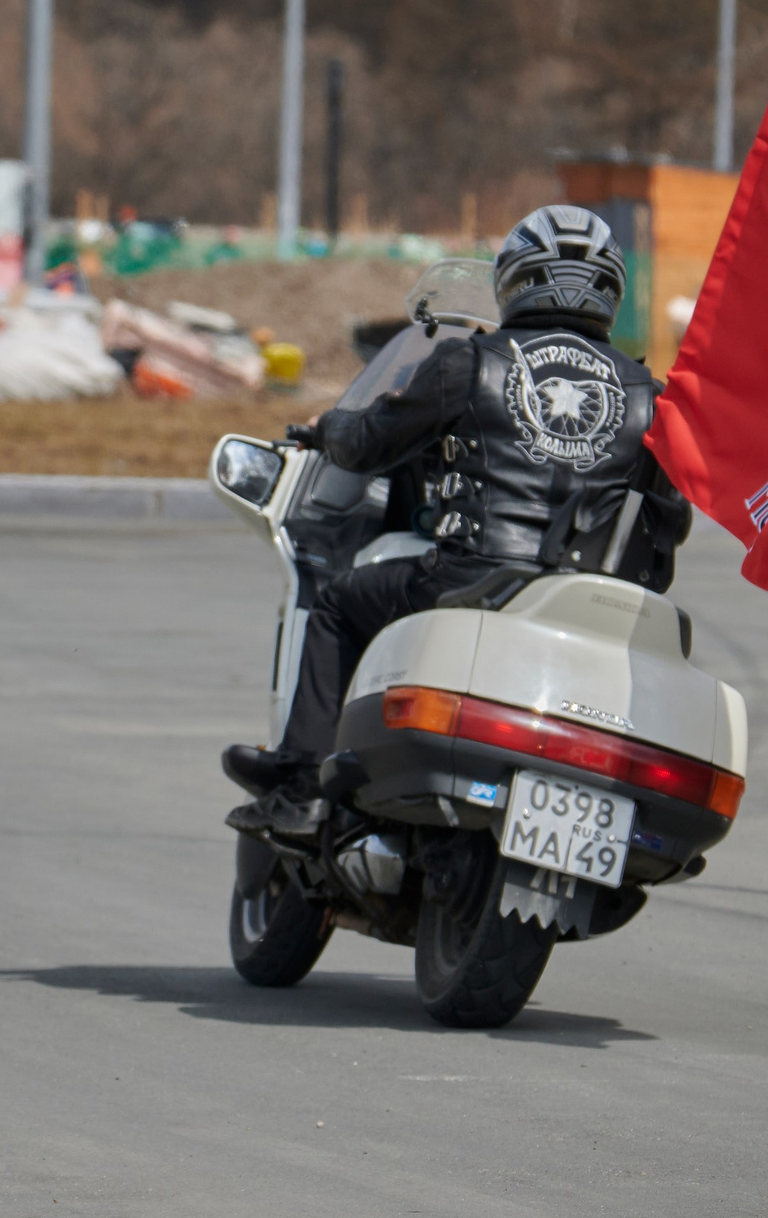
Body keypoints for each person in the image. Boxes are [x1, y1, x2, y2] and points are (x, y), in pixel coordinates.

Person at [225, 205, 692, 837]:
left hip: (472, 579)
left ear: (515, 278)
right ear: (610, 289)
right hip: (589, 605)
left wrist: (326, 427)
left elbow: (370, 443)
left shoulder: (472, 363)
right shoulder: (649, 397)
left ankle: (305, 788)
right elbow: (670, 522)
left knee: (339, 604)